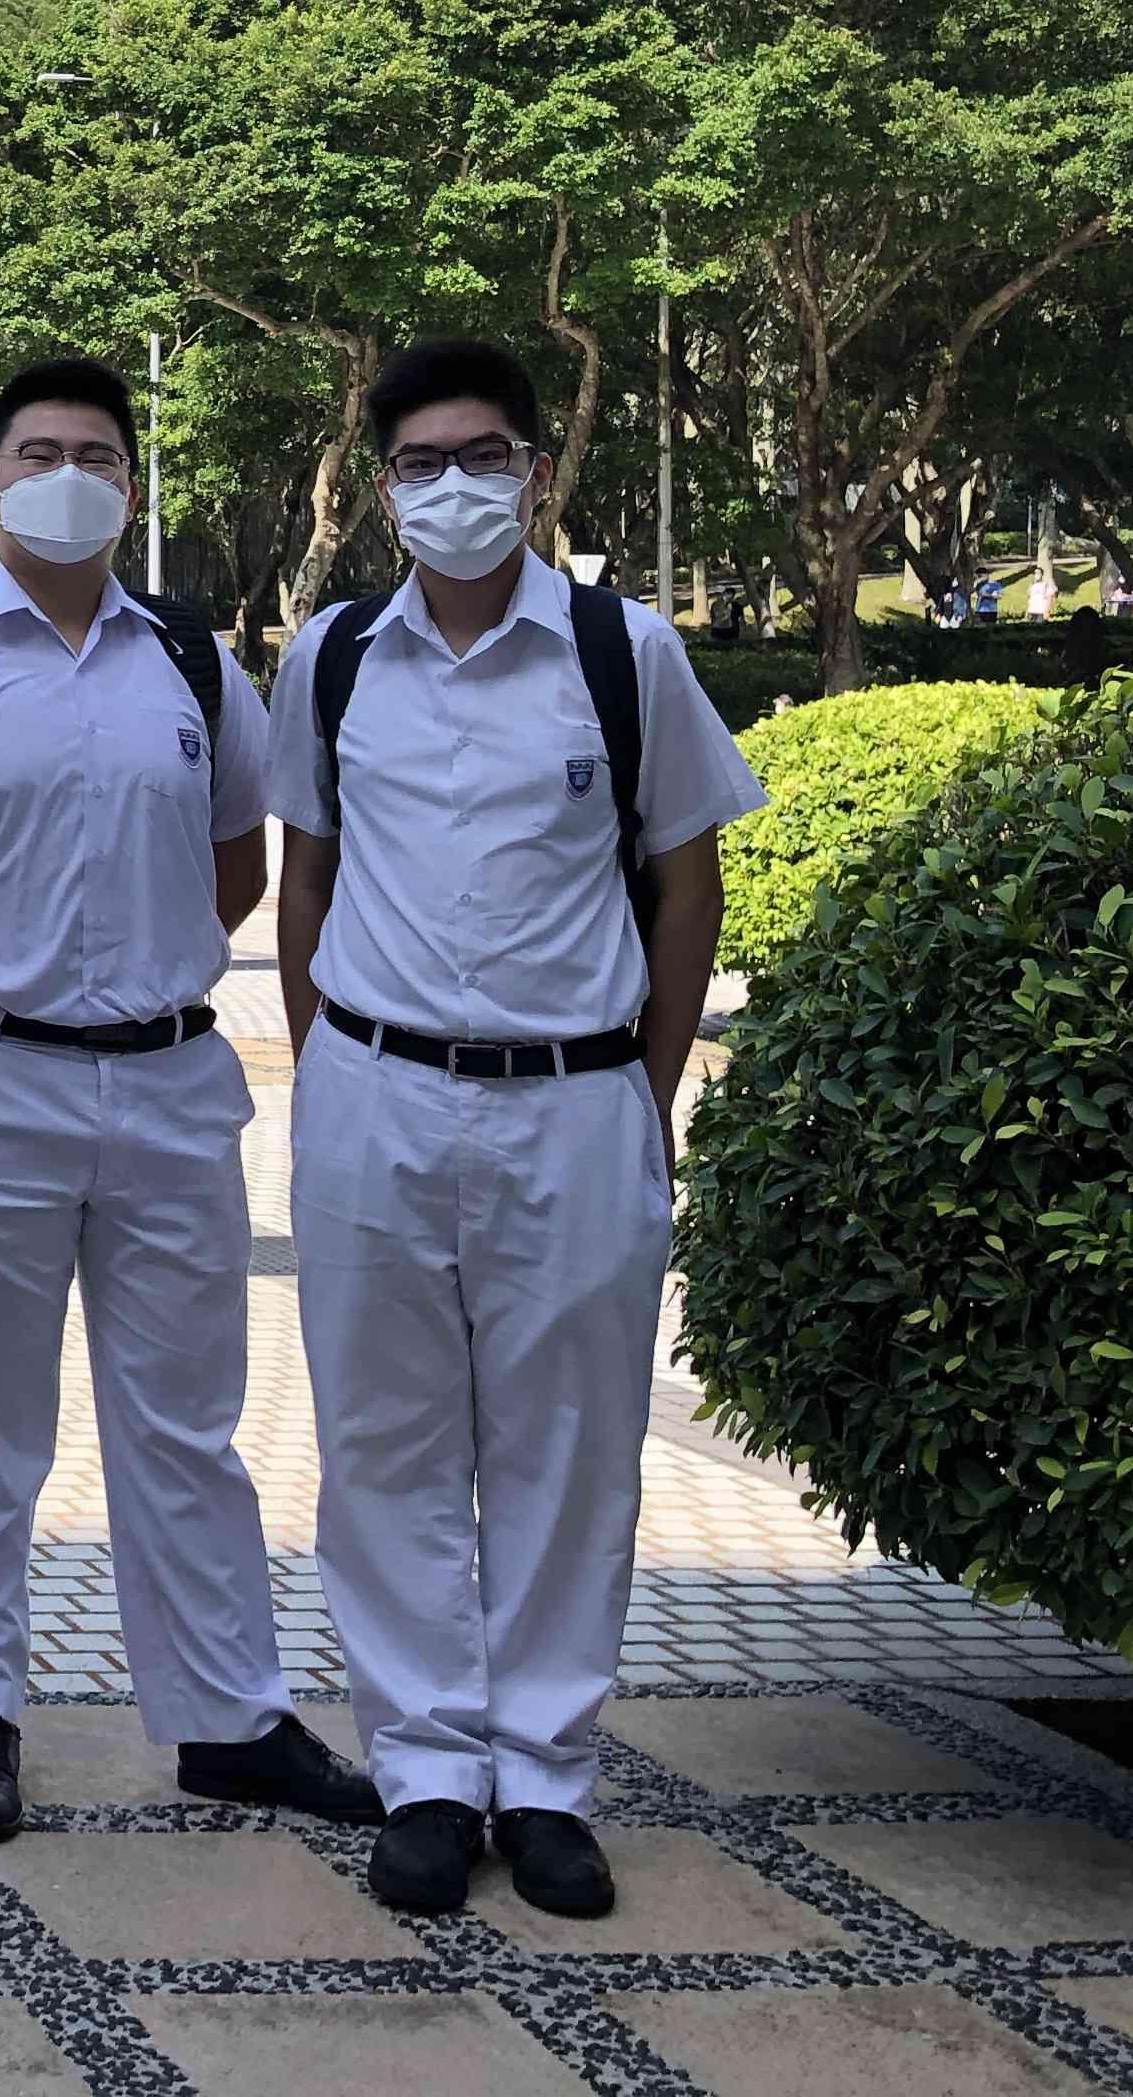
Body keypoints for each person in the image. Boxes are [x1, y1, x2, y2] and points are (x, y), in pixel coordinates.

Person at [0, 357, 376, 1846]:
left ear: (132, 488)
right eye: (39, 453)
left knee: (187, 1420)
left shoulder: (192, 661)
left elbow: (239, 858)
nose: (68, 476)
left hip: (169, 1081)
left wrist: (138, 967)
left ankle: (228, 1718)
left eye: (97, 455)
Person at [271, 338, 761, 1922]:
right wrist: (327, 1075)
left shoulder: (625, 654)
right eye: (421, 464)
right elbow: (305, 877)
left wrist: (646, 1093)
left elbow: (687, 886)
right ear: (384, 491)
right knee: (384, 1448)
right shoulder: (335, 656)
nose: (454, 487)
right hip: (374, 1097)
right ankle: (425, 1772)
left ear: (539, 474)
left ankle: (546, 1780)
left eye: (483, 457)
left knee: (570, 1449)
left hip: (575, 1103)